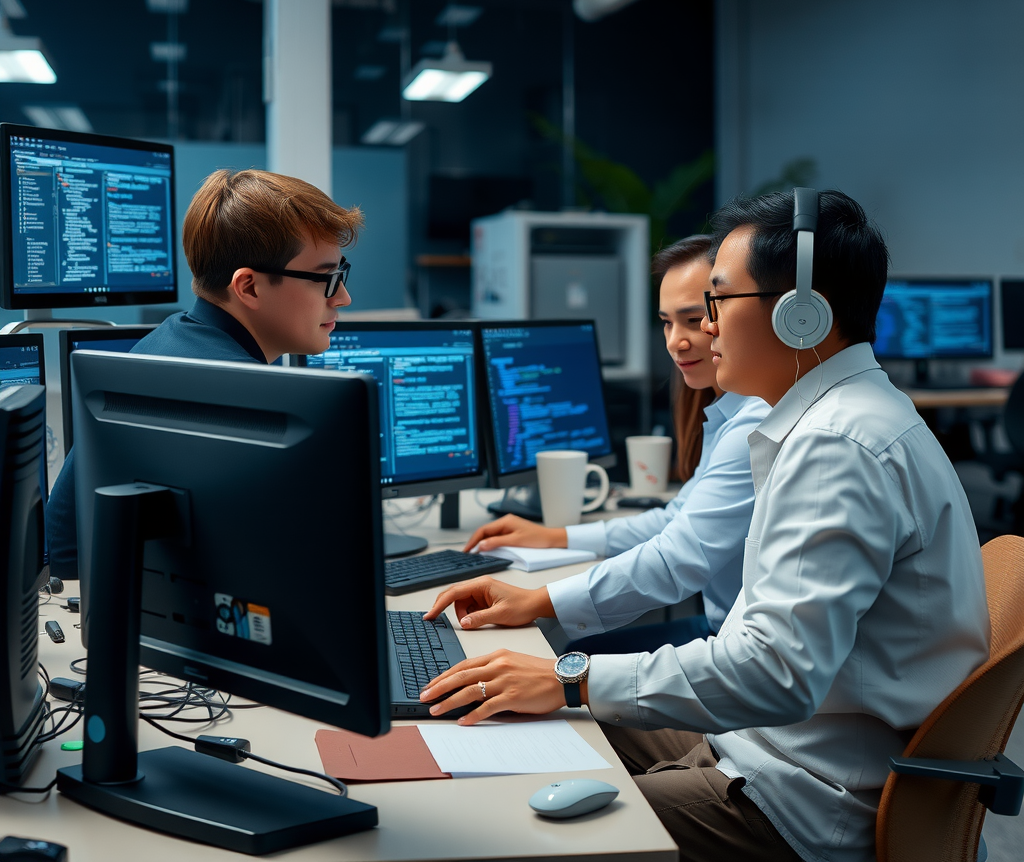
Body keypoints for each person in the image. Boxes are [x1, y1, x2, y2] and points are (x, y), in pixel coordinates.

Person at [420, 189, 990, 862]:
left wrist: (572, 678)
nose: (706, 329)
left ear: (801, 315)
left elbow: (775, 672)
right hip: (769, 743)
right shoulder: (844, 416)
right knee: (516, 714)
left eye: (716, 303)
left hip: (801, 798)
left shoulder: (836, 446)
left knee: (518, 828)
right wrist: (567, 679)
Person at [426, 234, 769, 651]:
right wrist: (555, 536)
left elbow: (679, 557)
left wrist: (537, 600)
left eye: (694, 319)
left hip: (732, 642)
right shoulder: (732, 411)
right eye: (666, 322)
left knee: (556, 657)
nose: (674, 341)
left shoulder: (754, 420)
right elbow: (675, 518)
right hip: (723, 628)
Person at [45, 168, 361, 579]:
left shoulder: (163, 343)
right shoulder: (251, 396)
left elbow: (63, 548)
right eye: (327, 279)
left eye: (342, 274)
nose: (343, 297)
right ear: (249, 287)